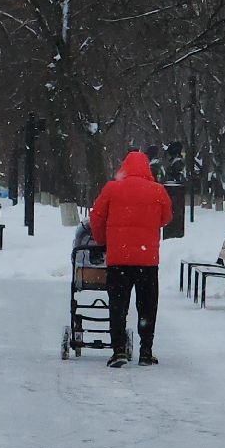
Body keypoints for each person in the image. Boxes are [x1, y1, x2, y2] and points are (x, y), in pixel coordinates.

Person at [88, 150, 173, 368]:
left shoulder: (112, 189)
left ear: (124, 167)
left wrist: (102, 241)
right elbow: (166, 218)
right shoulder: (157, 191)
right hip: (147, 261)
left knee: (118, 305)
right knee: (147, 306)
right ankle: (146, 351)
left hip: (119, 260)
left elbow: (96, 217)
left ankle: (118, 350)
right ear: (147, 168)